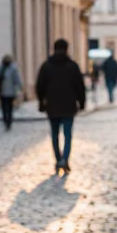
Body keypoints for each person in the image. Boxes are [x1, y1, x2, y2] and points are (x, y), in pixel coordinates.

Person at [36, 38, 86, 175]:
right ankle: (64, 159)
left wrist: (41, 101)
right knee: (68, 135)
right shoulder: (72, 66)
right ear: (66, 49)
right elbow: (80, 87)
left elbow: (40, 86)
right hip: (69, 106)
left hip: (52, 106)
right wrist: (81, 103)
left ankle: (58, 159)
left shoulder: (46, 66)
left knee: (55, 134)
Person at [0, 54, 23, 130]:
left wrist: (19, 86)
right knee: (5, 108)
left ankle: (8, 121)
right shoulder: (4, 68)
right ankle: (6, 121)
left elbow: (16, 79)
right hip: (3, 92)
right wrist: (20, 86)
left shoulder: (9, 68)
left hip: (8, 92)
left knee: (8, 108)